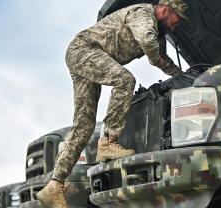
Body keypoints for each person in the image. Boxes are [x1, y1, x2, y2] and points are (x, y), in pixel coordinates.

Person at [36, 0, 188, 207]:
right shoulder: (143, 13)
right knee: (125, 80)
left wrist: (183, 76)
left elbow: (160, 58)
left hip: (85, 54)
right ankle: (108, 142)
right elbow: (146, 40)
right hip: (84, 50)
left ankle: (54, 185)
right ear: (164, 9)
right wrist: (158, 58)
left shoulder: (158, 32)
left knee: (84, 125)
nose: (176, 25)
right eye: (176, 19)